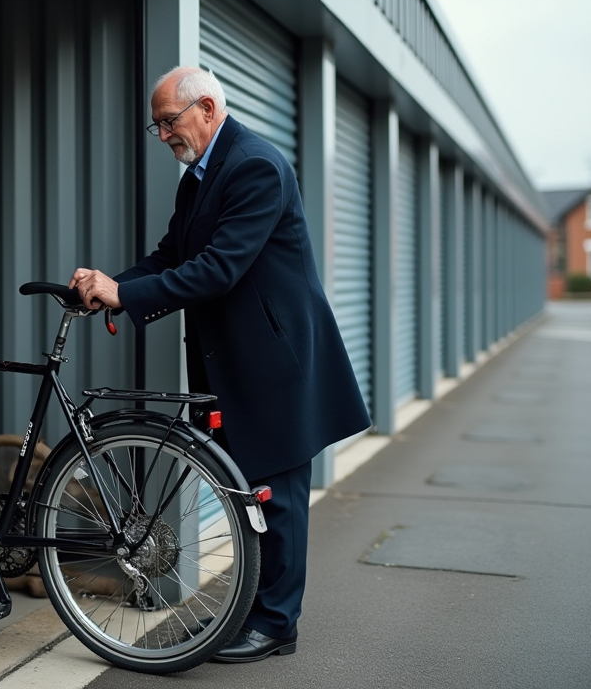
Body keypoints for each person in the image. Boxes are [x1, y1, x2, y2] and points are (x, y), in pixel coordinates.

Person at [69, 65, 371, 663]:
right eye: (156, 126)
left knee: (277, 495)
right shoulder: (200, 176)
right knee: (245, 494)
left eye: (169, 122)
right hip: (233, 359)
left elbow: (219, 268)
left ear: (206, 108)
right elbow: (172, 255)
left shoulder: (255, 165)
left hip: (273, 359)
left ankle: (277, 624)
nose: (163, 137)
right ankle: (250, 613)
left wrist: (125, 296)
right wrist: (108, 283)